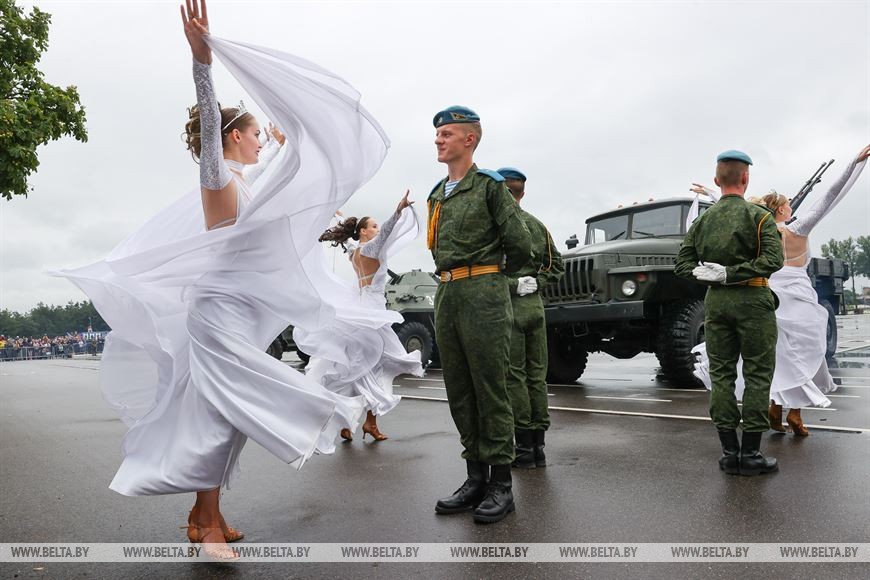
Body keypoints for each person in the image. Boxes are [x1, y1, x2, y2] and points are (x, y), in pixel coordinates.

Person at [53, 0, 393, 559]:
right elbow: (211, 130)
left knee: (224, 414)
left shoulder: (249, 183)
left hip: (240, 312)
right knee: (222, 411)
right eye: (256, 133)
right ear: (234, 138)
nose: (261, 141)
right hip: (217, 313)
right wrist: (203, 64)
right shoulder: (218, 180)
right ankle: (207, 525)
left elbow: (281, 190)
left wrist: (290, 149)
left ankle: (204, 514)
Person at [691, 145, 870, 435]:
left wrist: (710, 195)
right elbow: (830, 197)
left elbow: (731, 207)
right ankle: (794, 414)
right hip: (798, 301)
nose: (791, 206)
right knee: (804, 355)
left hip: (770, 296)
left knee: (776, 358)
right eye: (787, 203)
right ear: (782, 209)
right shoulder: (797, 229)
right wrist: (855, 164)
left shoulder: (758, 226)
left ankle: (776, 408)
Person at [428, 106, 533, 524]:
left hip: (483, 292)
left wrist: (495, 278)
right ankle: (475, 478)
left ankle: (501, 484)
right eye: (437, 134)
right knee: (459, 388)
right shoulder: (438, 193)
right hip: (448, 292)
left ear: (469, 140)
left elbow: (521, 245)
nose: (438, 139)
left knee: (491, 388)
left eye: (447, 134)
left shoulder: (490, 187)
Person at [675, 150, 784, 477]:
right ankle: (750, 454)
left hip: (718, 304)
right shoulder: (760, 217)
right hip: (752, 298)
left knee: (721, 374)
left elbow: (681, 264)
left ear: (716, 180)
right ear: (746, 178)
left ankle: (728, 453)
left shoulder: (702, 222)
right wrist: (734, 272)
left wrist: (709, 274)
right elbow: (773, 261)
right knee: (757, 374)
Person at [296, 191, 424, 442]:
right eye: (373, 226)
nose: (377, 230)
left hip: (359, 309)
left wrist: (336, 219)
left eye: (376, 226)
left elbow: (347, 242)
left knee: (357, 367)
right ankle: (369, 423)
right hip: (373, 313)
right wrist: (398, 211)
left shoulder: (354, 251)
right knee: (376, 367)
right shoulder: (371, 248)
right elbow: (387, 231)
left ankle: (349, 421)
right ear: (364, 232)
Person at [497, 167, 564, 469]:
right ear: (522, 193)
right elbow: (557, 265)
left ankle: (523, 447)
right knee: (537, 376)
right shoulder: (537, 225)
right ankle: (538, 446)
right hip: (535, 308)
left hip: (508, 308)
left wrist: (513, 284)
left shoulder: (494, 227)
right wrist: (538, 283)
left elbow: (484, 274)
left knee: (514, 377)